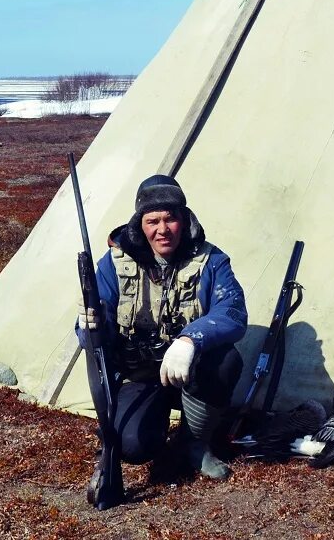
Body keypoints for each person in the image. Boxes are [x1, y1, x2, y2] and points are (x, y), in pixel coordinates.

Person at [78, 174, 248, 481]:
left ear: (184, 220)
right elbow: (95, 328)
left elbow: (233, 312)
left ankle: (194, 443)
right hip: (141, 374)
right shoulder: (113, 263)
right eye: (152, 220)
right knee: (133, 446)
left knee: (226, 362)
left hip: (190, 371)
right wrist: (89, 324)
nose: (162, 230)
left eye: (170, 219)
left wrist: (190, 340)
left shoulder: (212, 260)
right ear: (139, 224)